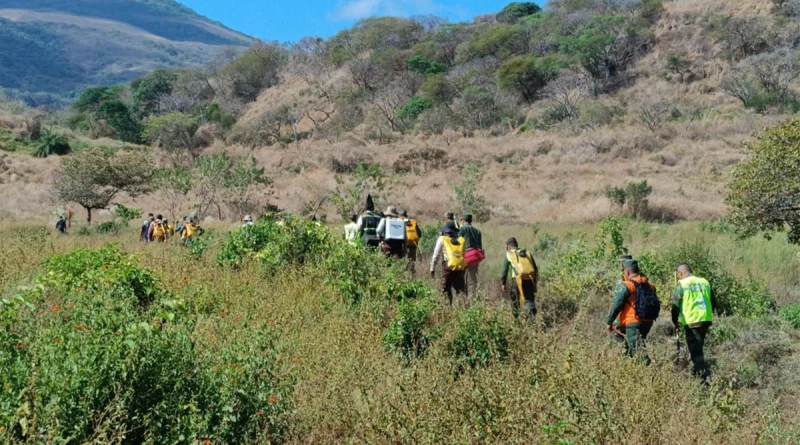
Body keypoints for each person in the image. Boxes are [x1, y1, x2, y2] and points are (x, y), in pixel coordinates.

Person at [606, 260, 658, 365]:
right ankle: (629, 370)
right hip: (648, 322)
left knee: (637, 350)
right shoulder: (650, 285)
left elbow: (617, 304)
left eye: (624, 272)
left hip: (632, 322)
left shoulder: (627, 285)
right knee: (631, 348)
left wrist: (609, 321)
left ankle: (646, 370)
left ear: (628, 272)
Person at [673, 263, 713, 383]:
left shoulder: (681, 284)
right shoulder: (704, 282)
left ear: (680, 273)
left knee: (696, 351)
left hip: (692, 321)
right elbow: (713, 301)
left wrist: (674, 320)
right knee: (698, 347)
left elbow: (675, 306)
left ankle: (703, 380)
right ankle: (697, 373)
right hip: (705, 320)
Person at [430, 222, 468, 305]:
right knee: (460, 290)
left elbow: (436, 255)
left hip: (447, 267)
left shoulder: (442, 239)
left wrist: (432, 268)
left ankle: (448, 309)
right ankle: (464, 309)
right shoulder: (461, 240)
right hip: (459, 267)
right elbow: (463, 255)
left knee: (445, 289)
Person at [500, 237, 538, 320]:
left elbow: (504, 271)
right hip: (529, 279)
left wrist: (503, 283)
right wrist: (534, 283)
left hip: (516, 280)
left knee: (515, 300)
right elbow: (535, 269)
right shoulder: (528, 253)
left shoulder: (509, 254)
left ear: (509, 246)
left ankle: (516, 319)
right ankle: (531, 318)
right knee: (529, 299)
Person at [459, 214, 484, 295]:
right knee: (472, 279)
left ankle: (464, 297)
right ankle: (472, 297)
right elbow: (480, 247)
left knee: (462, 278)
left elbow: (458, 244)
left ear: (463, 220)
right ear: (471, 221)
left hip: (465, 256)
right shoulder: (478, 231)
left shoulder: (461, 229)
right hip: (475, 257)